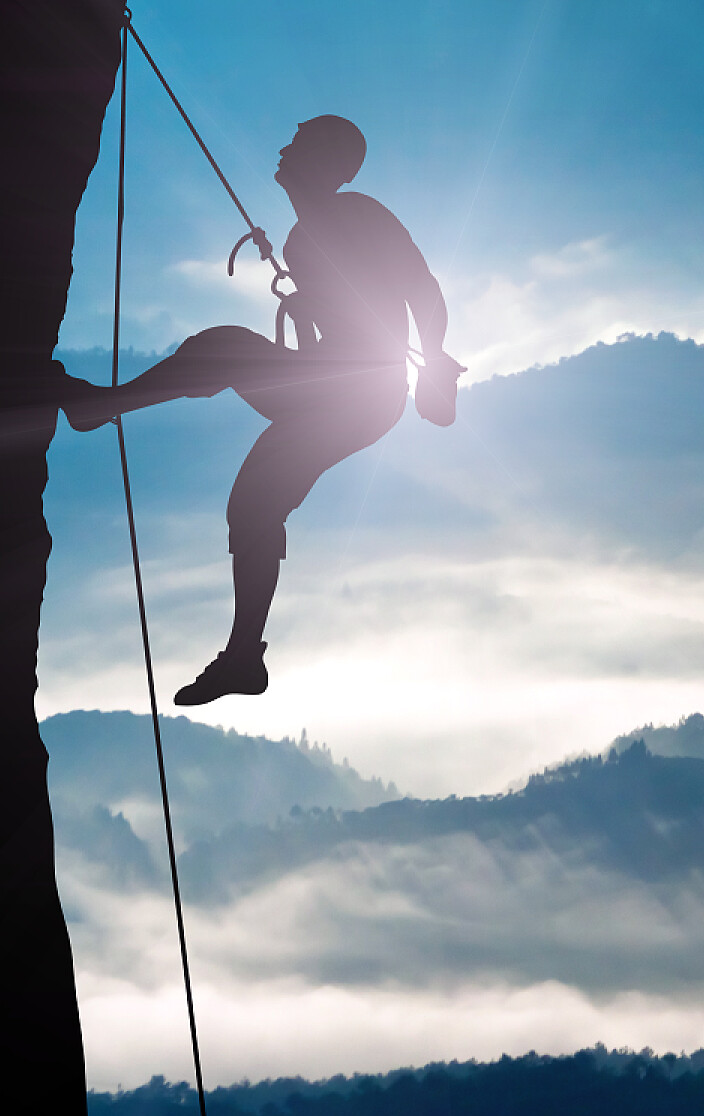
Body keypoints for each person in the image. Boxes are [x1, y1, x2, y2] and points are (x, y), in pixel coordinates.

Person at [61, 114, 460, 704]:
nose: (282, 149)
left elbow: (424, 291)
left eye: (296, 144)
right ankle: (244, 655)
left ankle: (103, 406)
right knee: (251, 507)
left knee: (223, 348)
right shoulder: (303, 238)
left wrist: (433, 369)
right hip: (343, 392)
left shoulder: (361, 215)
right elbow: (344, 337)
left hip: (358, 393)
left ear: (327, 162)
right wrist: (307, 326)